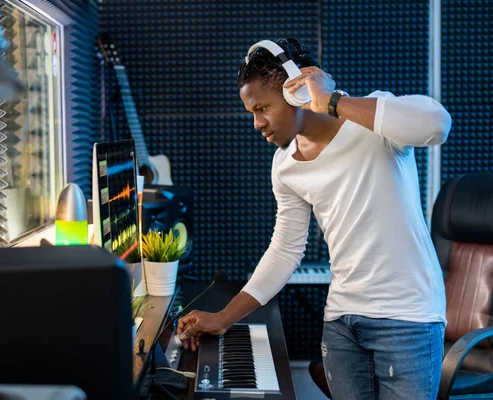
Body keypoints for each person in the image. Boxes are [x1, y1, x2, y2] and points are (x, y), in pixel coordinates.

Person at [176, 37, 451, 400]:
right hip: (341, 322)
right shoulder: (285, 164)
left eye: (262, 108)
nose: (257, 124)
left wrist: (334, 101)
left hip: (407, 320)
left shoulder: (371, 121)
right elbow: (285, 251)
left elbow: (437, 124)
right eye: (251, 113)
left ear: (296, 93)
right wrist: (223, 317)